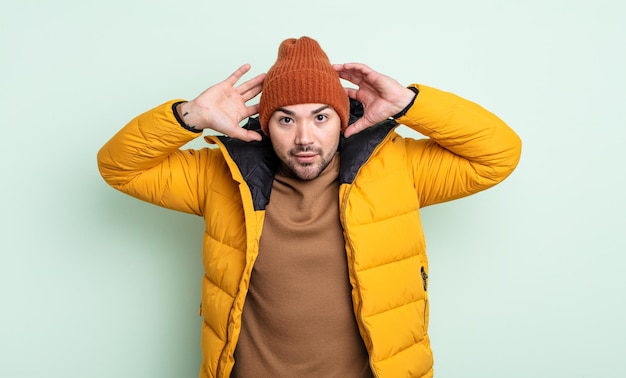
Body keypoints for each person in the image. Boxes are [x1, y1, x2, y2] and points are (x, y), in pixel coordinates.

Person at [98, 36, 522, 378]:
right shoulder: (219, 176)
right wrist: (190, 115)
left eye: (321, 117)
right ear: (265, 124)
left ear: (344, 117)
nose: (304, 137)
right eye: (286, 119)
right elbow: (119, 168)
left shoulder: (397, 168)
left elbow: (498, 154)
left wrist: (411, 104)